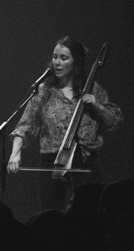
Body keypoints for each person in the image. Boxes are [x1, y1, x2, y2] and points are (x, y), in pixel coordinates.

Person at [7, 36, 121, 212]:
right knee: (50, 213)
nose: (57, 63)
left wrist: (97, 106)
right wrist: (15, 153)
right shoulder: (44, 91)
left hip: (85, 160)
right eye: (54, 57)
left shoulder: (92, 88)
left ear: (76, 62)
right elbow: (25, 125)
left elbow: (114, 121)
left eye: (63, 58)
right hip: (52, 160)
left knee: (89, 214)